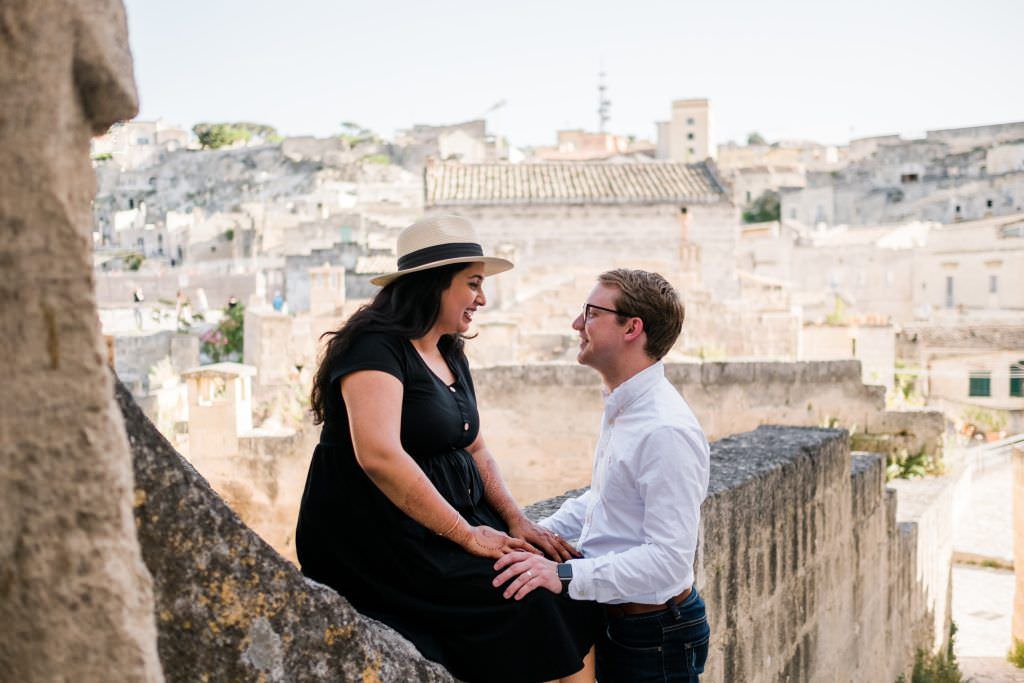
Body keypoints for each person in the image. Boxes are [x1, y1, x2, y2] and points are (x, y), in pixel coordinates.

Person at [295, 215, 600, 683]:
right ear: (435, 284)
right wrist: (467, 535)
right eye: (473, 284)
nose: (482, 298)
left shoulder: (448, 349)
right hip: (383, 538)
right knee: (526, 595)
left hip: (451, 522)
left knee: (561, 576)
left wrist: (516, 519)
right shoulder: (374, 349)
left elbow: (475, 448)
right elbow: (379, 456)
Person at [493, 269, 712, 682]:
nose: (578, 324)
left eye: (591, 313)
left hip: (654, 635)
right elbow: (606, 503)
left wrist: (562, 574)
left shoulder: (664, 428)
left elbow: (668, 561)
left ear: (632, 328)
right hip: (624, 624)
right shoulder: (626, 407)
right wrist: (536, 534)